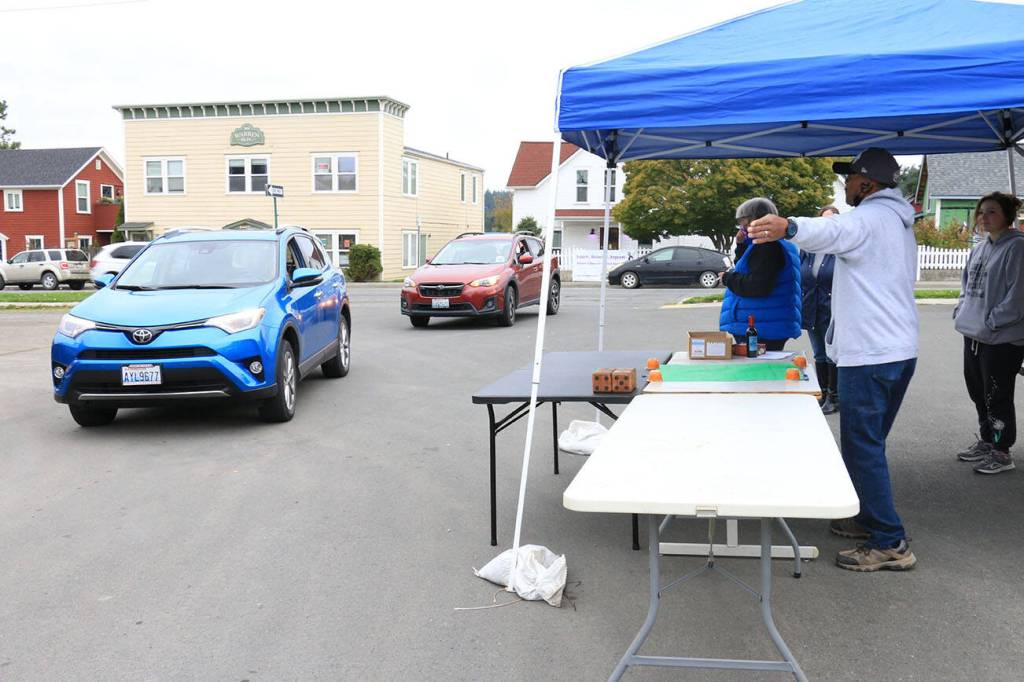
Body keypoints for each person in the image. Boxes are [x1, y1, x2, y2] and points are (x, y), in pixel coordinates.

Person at [750, 147, 918, 572]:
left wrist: (787, 225)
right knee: (871, 444)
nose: (846, 185)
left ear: (868, 183)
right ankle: (867, 518)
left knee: (863, 448)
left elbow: (831, 233)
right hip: (897, 348)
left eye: (851, 178)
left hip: (871, 352)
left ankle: (889, 541)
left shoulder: (868, 217)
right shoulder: (896, 221)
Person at [952, 192, 1024, 474]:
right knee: (978, 392)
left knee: (998, 395)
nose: (984, 217)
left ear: (1008, 216)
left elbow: (1018, 296)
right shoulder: (980, 248)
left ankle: (1002, 450)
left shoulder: (1017, 248)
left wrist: (993, 321)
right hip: (974, 334)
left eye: (991, 212)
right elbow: (965, 284)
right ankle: (987, 439)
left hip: (1002, 338)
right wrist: (962, 310)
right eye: (981, 212)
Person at [718, 197, 801, 351]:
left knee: (758, 372)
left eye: (744, 222)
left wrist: (727, 278)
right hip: (766, 322)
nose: (741, 227)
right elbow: (747, 266)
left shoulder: (768, 247)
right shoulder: (775, 244)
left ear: (757, 221)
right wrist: (741, 245)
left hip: (761, 326)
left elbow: (756, 285)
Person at [800, 205, 840, 414]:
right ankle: (822, 393)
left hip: (832, 310)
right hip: (812, 308)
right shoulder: (808, 250)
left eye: (832, 220)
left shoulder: (840, 249)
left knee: (832, 354)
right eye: (823, 220)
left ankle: (834, 396)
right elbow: (803, 281)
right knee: (819, 354)